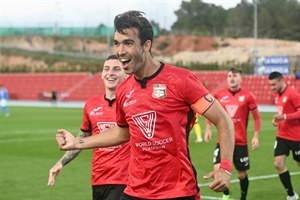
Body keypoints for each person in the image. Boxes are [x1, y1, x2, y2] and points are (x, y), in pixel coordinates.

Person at [55, 10, 235, 200]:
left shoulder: (180, 80)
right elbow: (122, 132)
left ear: (147, 45)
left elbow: (223, 120)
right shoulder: (124, 89)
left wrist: (225, 167)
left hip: (178, 191)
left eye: (128, 43)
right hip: (135, 191)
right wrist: (77, 143)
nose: (120, 51)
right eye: (117, 43)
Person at [48, 55, 130, 200]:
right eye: (106, 69)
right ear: (102, 75)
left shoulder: (132, 103)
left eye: (116, 69)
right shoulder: (91, 104)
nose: (110, 73)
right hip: (98, 179)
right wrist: (61, 162)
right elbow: (82, 139)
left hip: (125, 180)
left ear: (125, 74)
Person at [204, 67, 261, 200]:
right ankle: (226, 193)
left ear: (241, 78)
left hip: (240, 141)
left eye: (235, 76)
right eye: (229, 76)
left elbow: (257, 117)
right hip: (222, 141)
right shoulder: (219, 94)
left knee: (241, 174)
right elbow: (209, 110)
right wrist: (207, 128)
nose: (232, 78)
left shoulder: (248, 96)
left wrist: (256, 135)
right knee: (219, 169)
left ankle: (243, 197)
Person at [268, 71, 300, 200]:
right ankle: (291, 194)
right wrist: (277, 120)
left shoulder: (292, 93)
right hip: (282, 135)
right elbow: (282, 113)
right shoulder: (277, 96)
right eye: (270, 85)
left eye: (274, 85)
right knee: (278, 164)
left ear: (281, 81)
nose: (272, 88)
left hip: (296, 136)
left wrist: (285, 117)